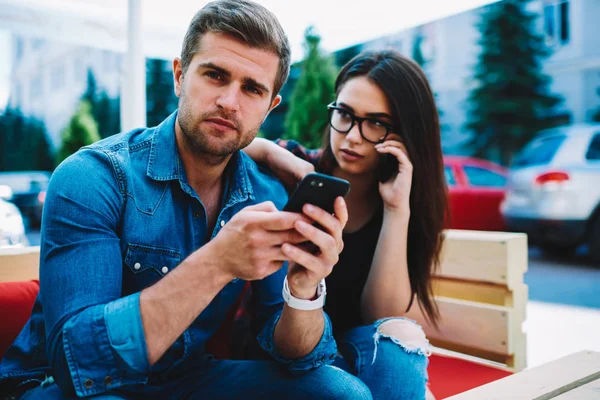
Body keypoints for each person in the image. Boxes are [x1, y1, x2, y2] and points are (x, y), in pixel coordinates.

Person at [0, 1, 372, 399]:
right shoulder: (93, 177)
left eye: (252, 88)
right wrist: (218, 262)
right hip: (59, 385)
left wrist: (303, 292)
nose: (230, 101)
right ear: (179, 75)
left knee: (340, 392)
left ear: (269, 107)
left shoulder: (265, 193)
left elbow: (294, 354)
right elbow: (78, 361)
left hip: (185, 378)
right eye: (215, 75)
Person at [244, 50, 448, 399]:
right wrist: (270, 152)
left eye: (375, 123)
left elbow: (383, 321)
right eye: (345, 114)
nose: (352, 136)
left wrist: (397, 209)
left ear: (404, 133)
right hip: (287, 357)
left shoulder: (405, 202)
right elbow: (230, 148)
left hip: (357, 360)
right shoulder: (297, 170)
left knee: (400, 341)